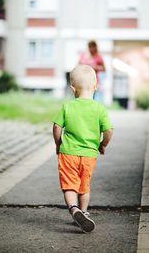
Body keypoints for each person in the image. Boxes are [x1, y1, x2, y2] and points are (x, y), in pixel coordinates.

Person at [52, 65, 113, 233]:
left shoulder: (67, 106)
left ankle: (73, 209)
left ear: (73, 88)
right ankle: (84, 211)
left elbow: (57, 127)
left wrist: (58, 144)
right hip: (89, 155)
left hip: (68, 153)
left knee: (69, 185)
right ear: (95, 86)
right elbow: (109, 130)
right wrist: (103, 144)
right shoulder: (99, 108)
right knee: (84, 186)